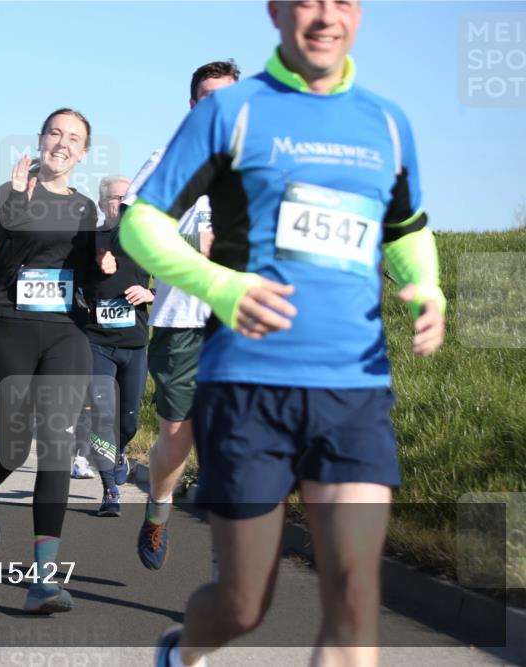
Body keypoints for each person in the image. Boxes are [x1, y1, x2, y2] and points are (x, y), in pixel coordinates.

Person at [119, 3, 447, 664]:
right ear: (275, 10)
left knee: (355, 600)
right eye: (308, 0)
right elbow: (141, 223)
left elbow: (406, 226)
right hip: (248, 388)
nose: (327, 16)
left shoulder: (387, 122)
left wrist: (427, 285)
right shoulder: (230, 112)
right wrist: (220, 283)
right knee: (243, 603)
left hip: (354, 388)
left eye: (343, 1)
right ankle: (181, 652)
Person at [0, 109, 104, 614]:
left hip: (65, 334)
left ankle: (43, 578)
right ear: (41, 141)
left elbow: (87, 276)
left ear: (83, 153)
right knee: (14, 450)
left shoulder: (85, 209)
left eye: (74, 139)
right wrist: (12, 205)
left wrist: (107, 265)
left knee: (57, 443)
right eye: (55, 133)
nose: (62, 143)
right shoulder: (9, 191)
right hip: (9, 326)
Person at [122, 58, 240, 569]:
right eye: (208, 98)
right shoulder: (167, 158)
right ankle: (158, 509)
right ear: (193, 106)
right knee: (178, 435)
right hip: (181, 321)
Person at [73, 175, 153, 516]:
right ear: (102, 202)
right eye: (114, 198)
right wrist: (90, 284)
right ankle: (110, 490)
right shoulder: (87, 240)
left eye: (126, 198)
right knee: (102, 415)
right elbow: (70, 282)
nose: (120, 204)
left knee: (128, 422)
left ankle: (120, 451)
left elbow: (174, 280)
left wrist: (152, 294)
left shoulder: (145, 241)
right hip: (97, 342)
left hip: (135, 343)